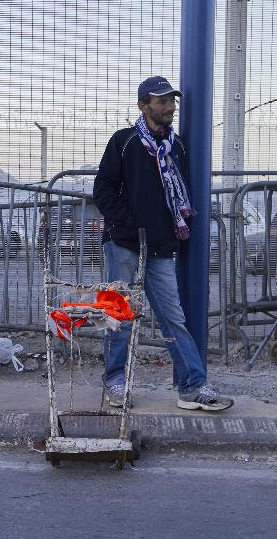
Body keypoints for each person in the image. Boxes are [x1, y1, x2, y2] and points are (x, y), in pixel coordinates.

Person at [93, 75, 234, 412]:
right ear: (144, 105)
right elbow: (103, 189)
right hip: (123, 244)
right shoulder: (124, 142)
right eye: (161, 101)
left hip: (160, 248)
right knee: (118, 314)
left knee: (173, 318)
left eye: (171, 100)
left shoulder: (177, 147)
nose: (169, 107)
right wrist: (128, 223)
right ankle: (115, 382)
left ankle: (192, 386)